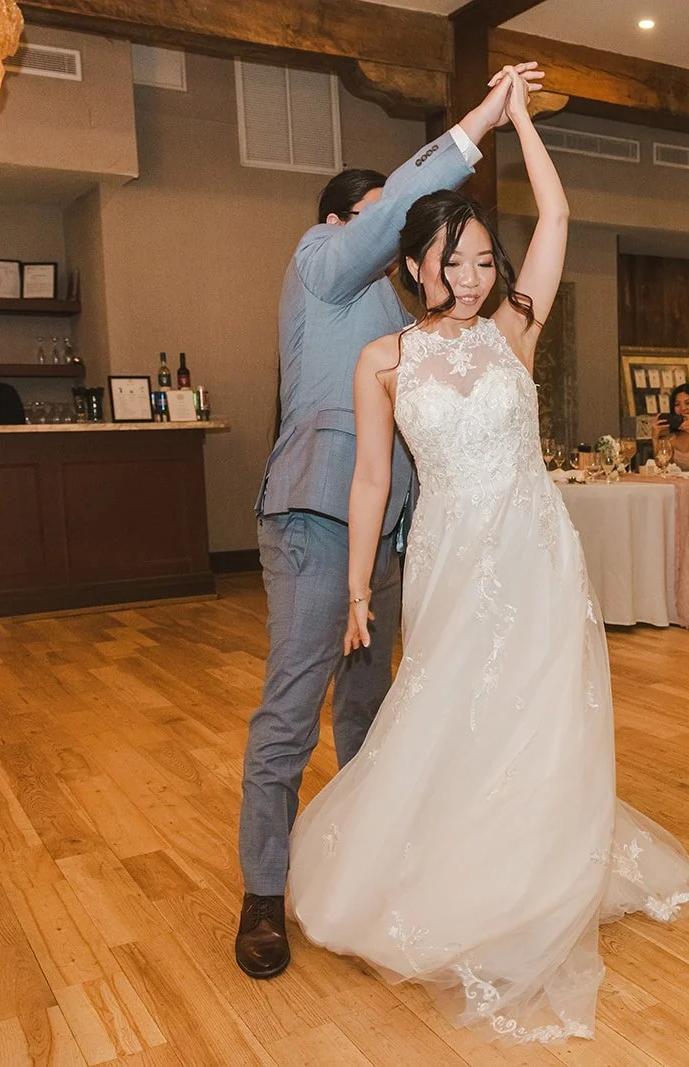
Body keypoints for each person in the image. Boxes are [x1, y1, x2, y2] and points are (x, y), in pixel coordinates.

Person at [285, 69, 689, 1044]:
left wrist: (517, 119)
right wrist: (356, 587)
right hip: (449, 549)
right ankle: (452, 867)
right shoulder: (384, 361)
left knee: (541, 704)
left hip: (535, 545)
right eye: (451, 261)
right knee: (451, 703)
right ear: (412, 267)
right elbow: (368, 483)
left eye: (482, 260)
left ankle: (536, 863)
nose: (471, 278)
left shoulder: (514, 329)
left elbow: (557, 211)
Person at [235, 64, 542, 981]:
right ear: (343, 225)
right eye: (380, 216)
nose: (399, 233)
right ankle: (261, 892)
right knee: (293, 707)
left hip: (401, 530)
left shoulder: (417, 313)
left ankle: (364, 870)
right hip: (315, 517)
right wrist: (478, 126)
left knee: (373, 707)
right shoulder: (320, 264)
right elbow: (391, 213)